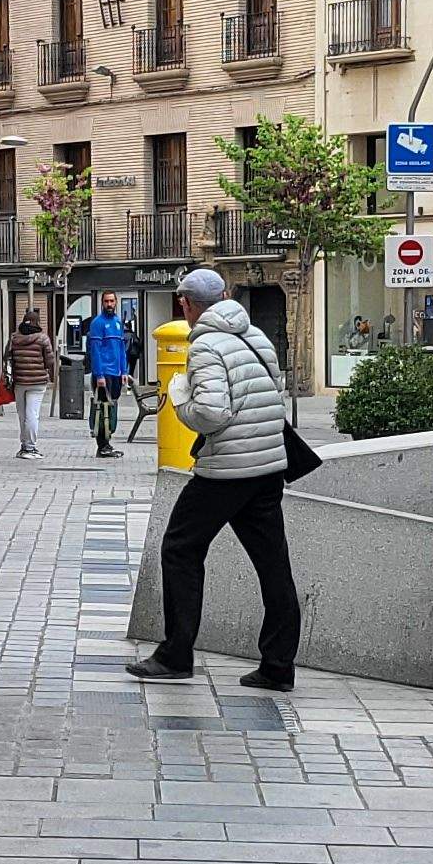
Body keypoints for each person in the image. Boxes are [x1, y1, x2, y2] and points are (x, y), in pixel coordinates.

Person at [129, 268, 303, 691]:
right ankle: (278, 665)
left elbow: (211, 413)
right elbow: (270, 392)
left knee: (180, 549)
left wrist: (180, 397)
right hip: (267, 467)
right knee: (273, 564)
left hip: (226, 469)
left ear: (186, 305)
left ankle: (175, 655)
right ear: (225, 296)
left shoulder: (204, 345)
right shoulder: (257, 336)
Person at [85, 292, 136, 457]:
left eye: (112, 301)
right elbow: (95, 351)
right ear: (102, 303)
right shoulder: (97, 323)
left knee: (112, 407)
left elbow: (121, 349)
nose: (109, 304)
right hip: (103, 373)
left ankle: (107, 443)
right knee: (102, 409)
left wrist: (124, 371)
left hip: (116, 373)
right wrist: (99, 375)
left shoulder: (118, 322)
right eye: (106, 301)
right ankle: (102, 446)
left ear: (116, 303)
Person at [4, 306, 57, 458]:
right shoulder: (43, 338)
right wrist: (46, 370)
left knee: (22, 415)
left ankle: (24, 445)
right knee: (32, 414)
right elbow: (50, 360)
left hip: (19, 382)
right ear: (37, 322)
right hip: (38, 382)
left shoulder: (14, 338)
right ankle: (30, 447)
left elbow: (6, 357)